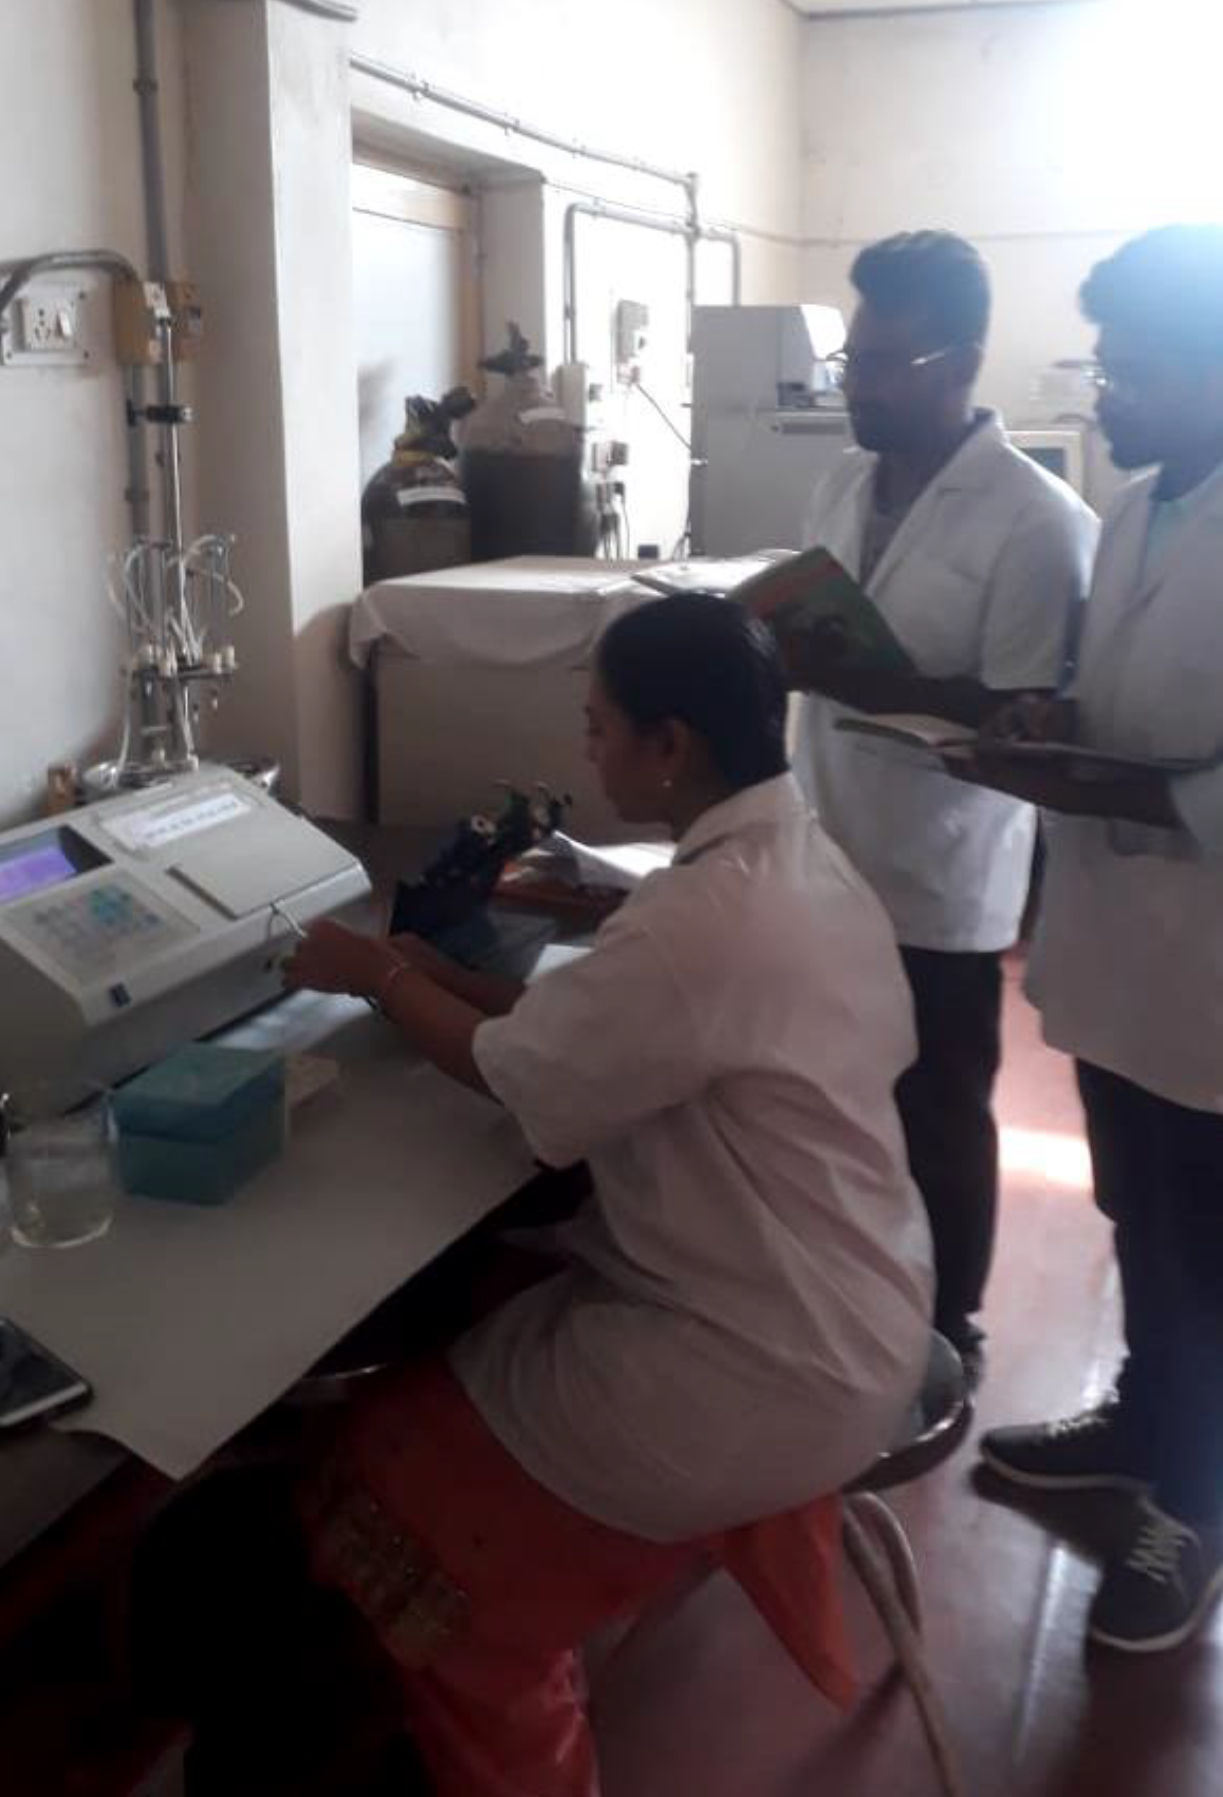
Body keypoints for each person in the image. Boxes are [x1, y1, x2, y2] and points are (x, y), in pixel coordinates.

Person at [146, 597, 933, 1797]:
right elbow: (593, 1023)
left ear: (668, 744)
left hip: (755, 1367)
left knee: (390, 1501)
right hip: (852, 1300)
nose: (587, 751)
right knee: (482, 1323)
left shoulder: (700, 916)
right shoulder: (795, 864)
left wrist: (375, 974)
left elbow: (514, 1074)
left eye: (599, 726)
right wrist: (425, 973)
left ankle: (503, 1734)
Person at [969, 225, 1223, 1655]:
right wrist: (1050, 723)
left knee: (1207, 1244)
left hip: (1205, 965)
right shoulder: (1133, 508)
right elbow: (1123, 694)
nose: (1104, 394)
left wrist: (1120, 794)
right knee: (1138, 1213)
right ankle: (1141, 1418)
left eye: (1133, 373)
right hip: (1120, 954)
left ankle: (1192, 1507)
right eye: (1103, 365)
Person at [785, 230, 1099, 1379]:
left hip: (938, 868)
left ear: (959, 364)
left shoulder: (1034, 519)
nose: (856, 388)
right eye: (852, 362)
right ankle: (845, 1292)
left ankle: (947, 1328)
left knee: (936, 1104)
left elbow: (1019, 715)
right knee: (827, 1095)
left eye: (883, 366)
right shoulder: (839, 480)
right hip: (820, 845)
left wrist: (871, 685)